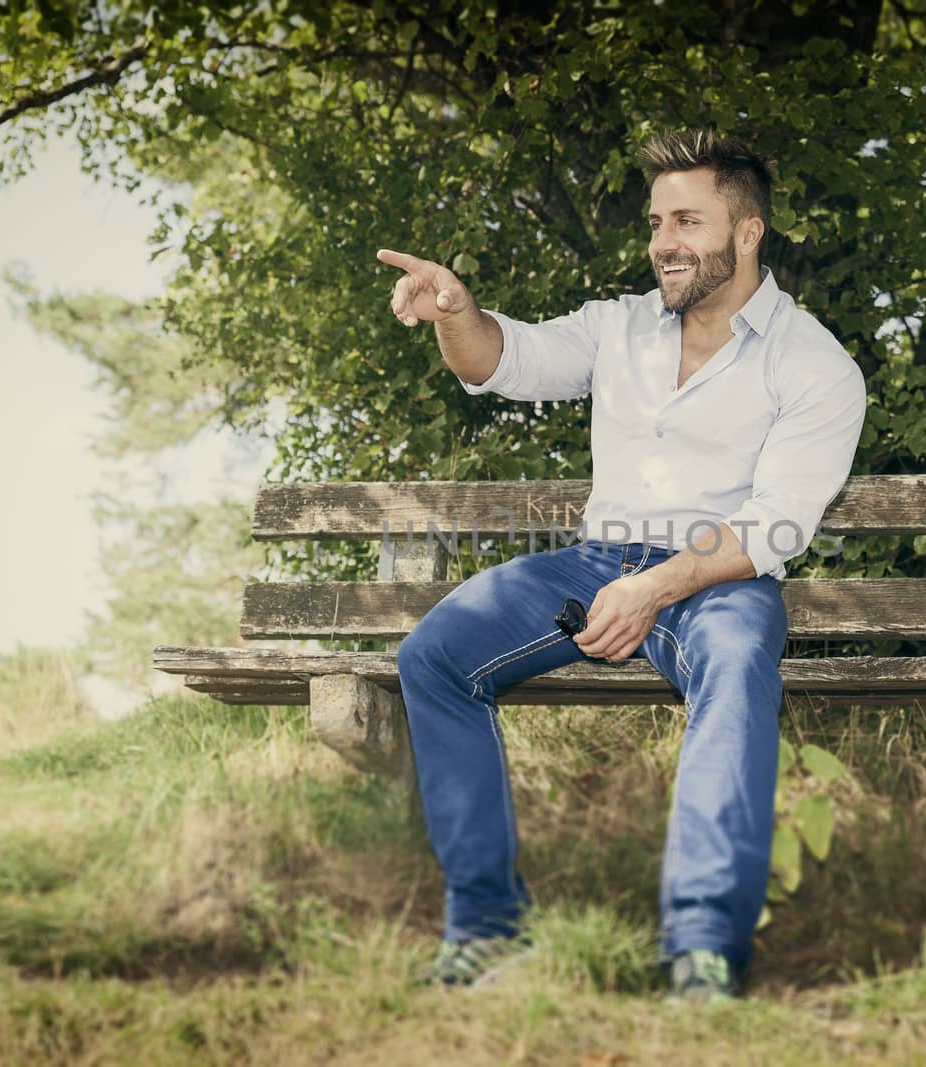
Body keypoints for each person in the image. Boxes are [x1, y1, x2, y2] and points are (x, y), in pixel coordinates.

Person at [375, 129, 866, 1001]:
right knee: (434, 654)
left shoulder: (814, 362)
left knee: (738, 664)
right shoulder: (619, 327)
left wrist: (655, 585)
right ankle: (486, 928)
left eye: (688, 220)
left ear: (747, 233)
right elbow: (500, 359)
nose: (663, 242)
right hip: (598, 562)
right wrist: (456, 314)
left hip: (721, 580)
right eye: (655, 222)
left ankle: (702, 946)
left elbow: (774, 524)